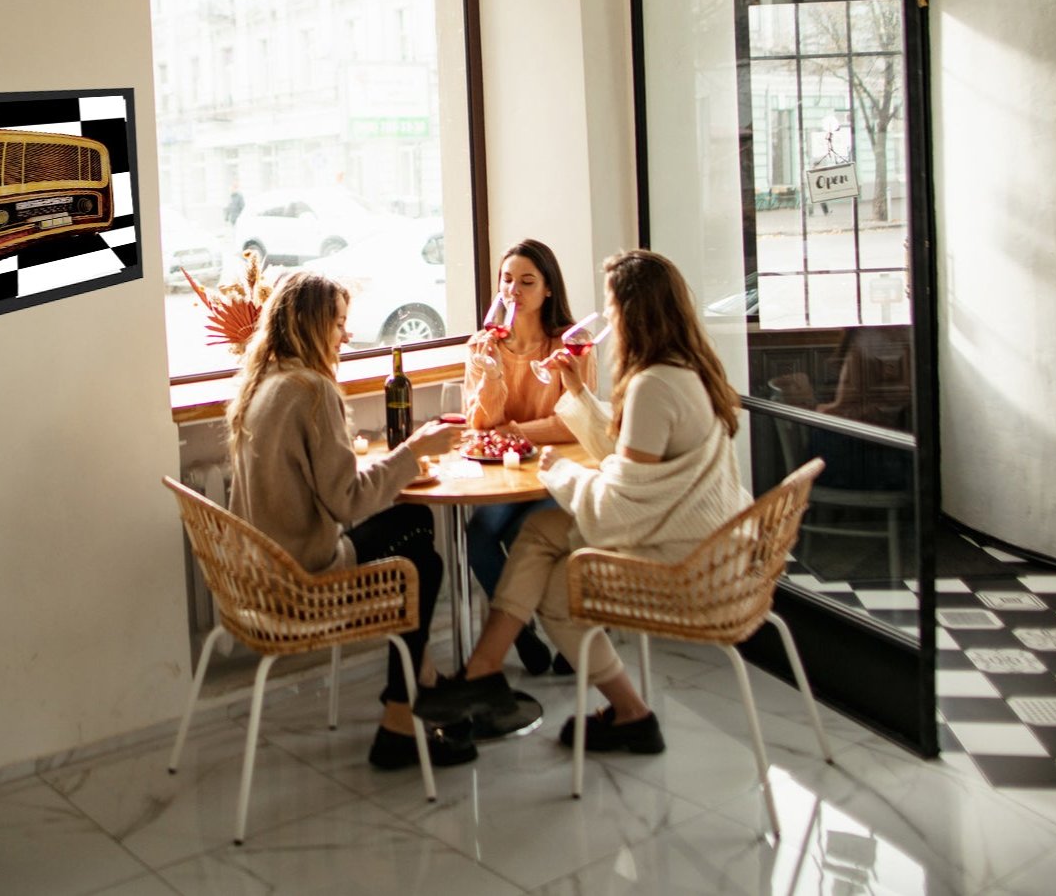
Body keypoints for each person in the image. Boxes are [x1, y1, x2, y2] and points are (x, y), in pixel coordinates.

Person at [417, 249, 751, 754]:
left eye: (613, 306)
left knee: (552, 576)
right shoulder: (683, 370)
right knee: (540, 549)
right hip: (699, 532)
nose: (608, 317)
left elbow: (619, 510)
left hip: (678, 550)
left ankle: (499, 674)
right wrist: (575, 390)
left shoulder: (653, 386)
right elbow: (621, 457)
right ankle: (602, 706)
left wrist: (557, 471)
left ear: (633, 313)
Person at [226, 270, 474, 770]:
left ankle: (419, 681)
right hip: (303, 576)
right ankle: (399, 723)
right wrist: (414, 451)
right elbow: (349, 503)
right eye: (339, 323)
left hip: (258, 571)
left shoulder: (265, 384)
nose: (347, 335)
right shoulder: (314, 392)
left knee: (416, 527)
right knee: (424, 563)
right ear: (313, 325)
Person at [463, 238, 594, 675]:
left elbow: (571, 422)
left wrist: (514, 431)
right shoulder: (484, 344)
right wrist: (490, 376)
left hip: (553, 472)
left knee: (531, 537)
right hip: (504, 476)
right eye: (506, 280)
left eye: (526, 281)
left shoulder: (572, 345)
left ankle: (567, 635)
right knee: (478, 536)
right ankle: (520, 634)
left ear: (548, 289)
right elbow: (480, 425)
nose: (512, 290)